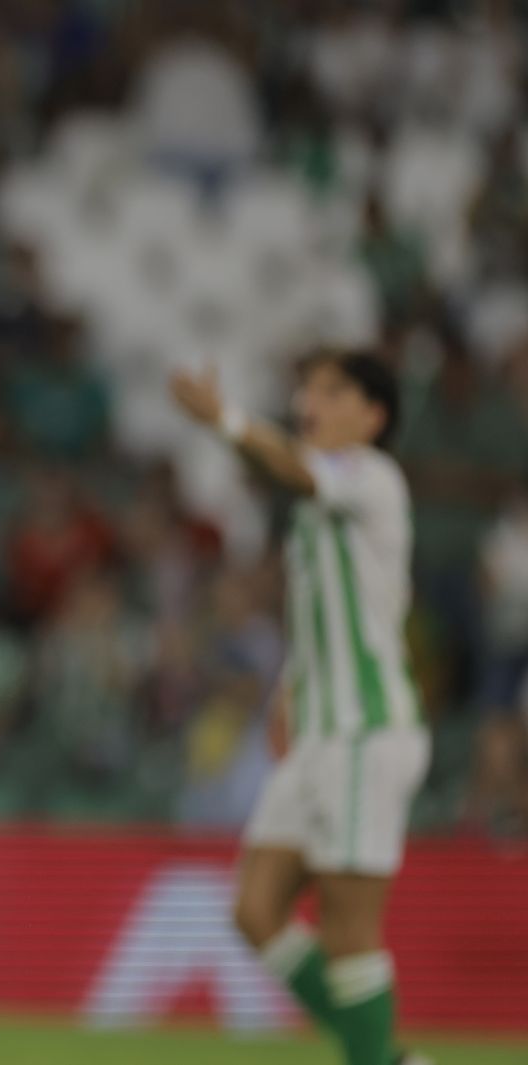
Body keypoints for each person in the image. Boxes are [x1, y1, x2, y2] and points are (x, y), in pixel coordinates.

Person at [171, 352, 429, 1065]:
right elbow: (331, 618)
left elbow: (295, 468)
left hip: (364, 733)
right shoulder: (317, 515)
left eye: (331, 390)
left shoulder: (371, 478)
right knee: (255, 911)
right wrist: (290, 688)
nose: (309, 400)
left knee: (350, 931)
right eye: (307, 387)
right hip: (319, 735)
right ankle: (390, 1060)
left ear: (372, 417)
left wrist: (223, 419)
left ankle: (377, 1061)